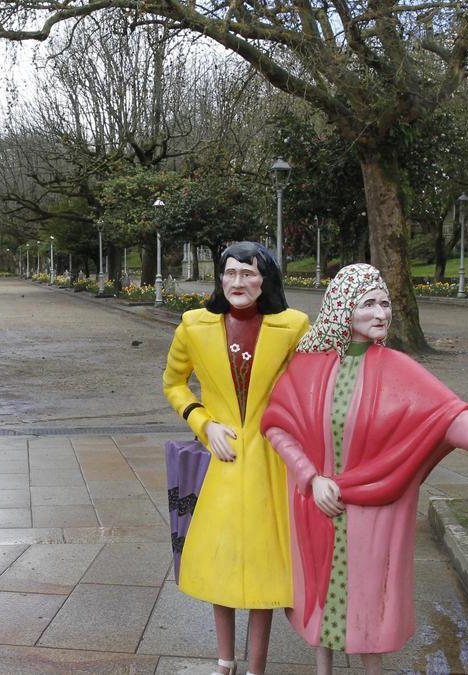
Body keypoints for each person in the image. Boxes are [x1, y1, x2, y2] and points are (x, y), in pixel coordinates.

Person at [261, 264, 468, 675]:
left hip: (375, 509)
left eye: (385, 303)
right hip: (316, 506)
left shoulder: (398, 369)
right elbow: (278, 426)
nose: (382, 313)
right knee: (321, 605)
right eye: (369, 303)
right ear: (342, 308)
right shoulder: (308, 367)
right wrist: (310, 477)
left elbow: (452, 419)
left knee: (369, 604)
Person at [162, 241, 310, 675]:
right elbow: (174, 383)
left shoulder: (294, 326)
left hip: (271, 462)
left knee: (265, 568)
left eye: (248, 273)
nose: (238, 282)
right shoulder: (193, 325)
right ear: (220, 278)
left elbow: (308, 386)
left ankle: (256, 667)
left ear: (265, 280)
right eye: (231, 273)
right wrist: (203, 423)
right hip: (220, 465)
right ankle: (225, 661)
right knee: (220, 563)